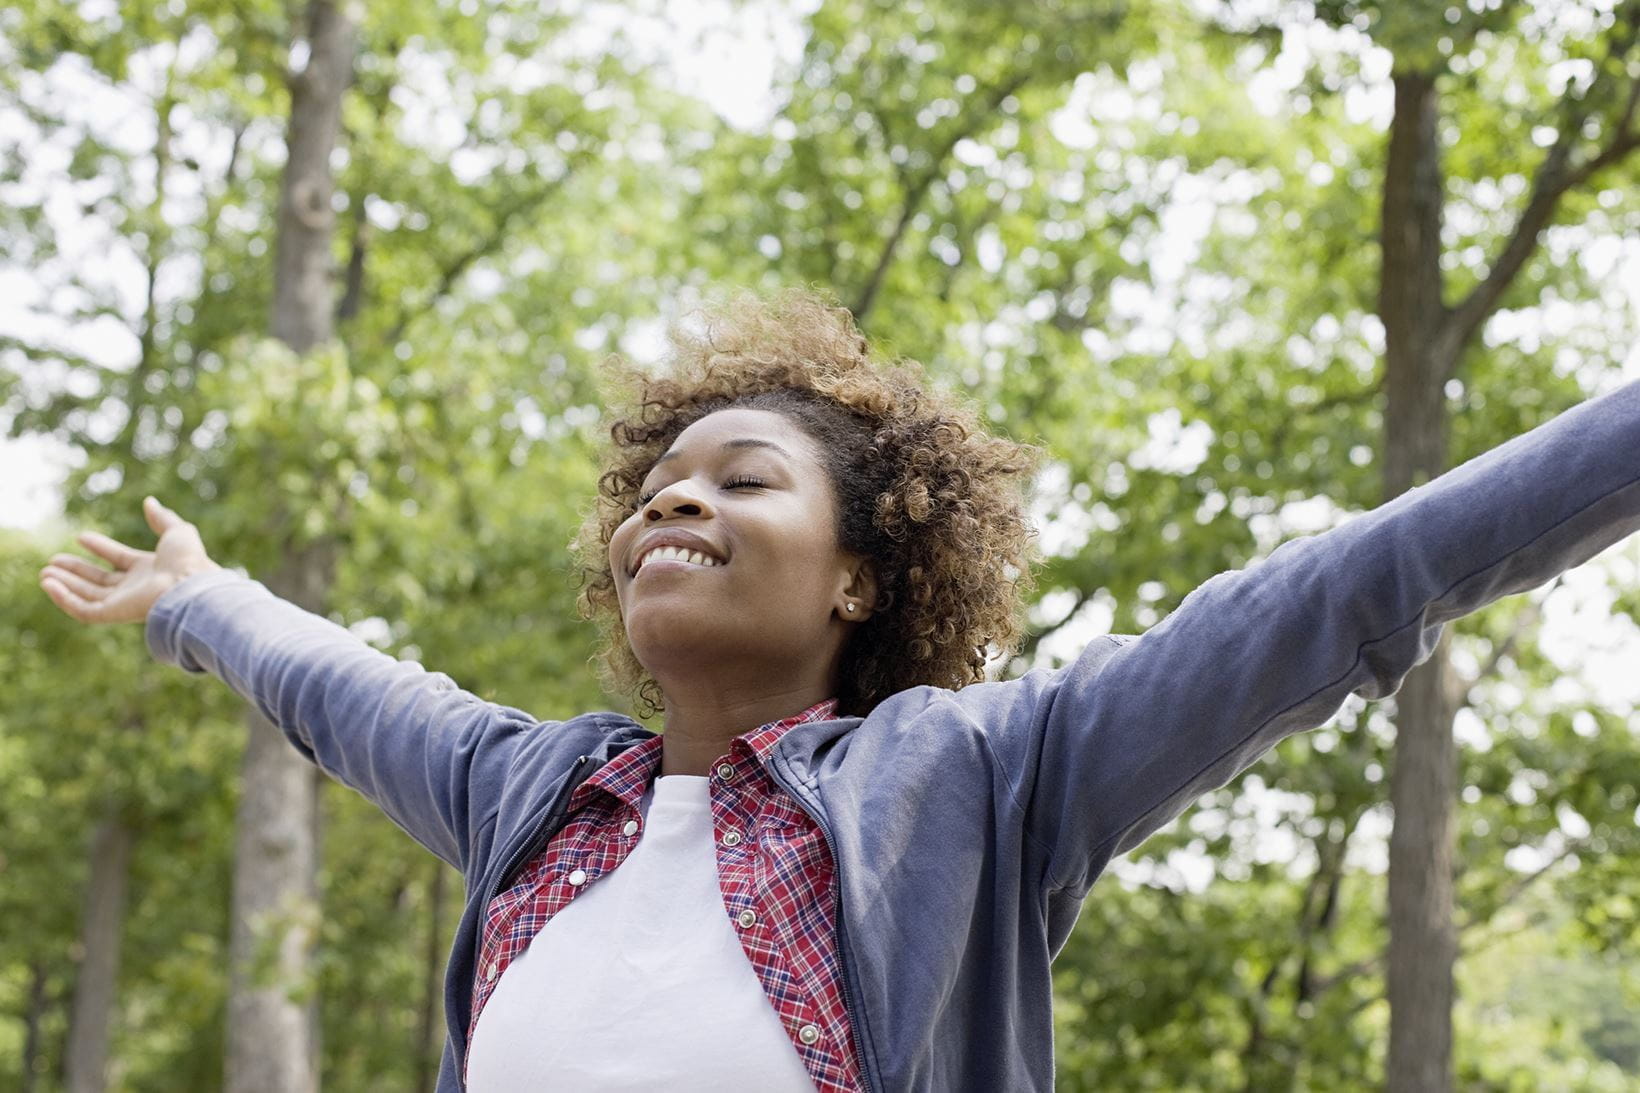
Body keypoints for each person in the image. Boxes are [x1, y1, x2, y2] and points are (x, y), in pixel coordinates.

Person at [38, 290, 1640, 1092]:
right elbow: (341, 682)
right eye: (656, 486)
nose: (674, 502)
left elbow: (1347, 589)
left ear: (862, 573)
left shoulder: (982, 780)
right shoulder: (530, 796)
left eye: (742, 480)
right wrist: (200, 602)